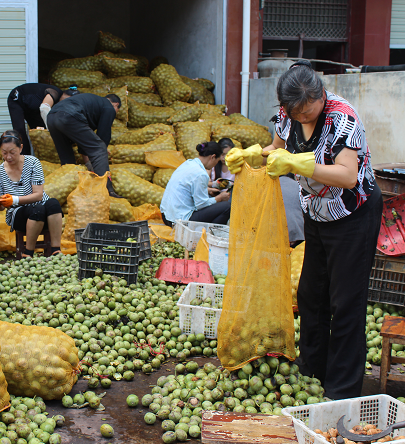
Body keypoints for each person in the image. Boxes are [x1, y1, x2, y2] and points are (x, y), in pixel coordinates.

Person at [226, 60, 382, 399]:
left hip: (352, 216)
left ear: (320, 95)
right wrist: (254, 156)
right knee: (312, 295)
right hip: (317, 214)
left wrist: (300, 162)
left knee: (346, 303)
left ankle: (342, 389)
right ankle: (313, 369)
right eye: (296, 114)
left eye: (308, 112)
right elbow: (277, 150)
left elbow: (347, 175)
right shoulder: (288, 114)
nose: (303, 118)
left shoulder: (343, 117)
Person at [0, 130, 62, 258]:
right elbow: (1, 207)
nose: (8, 157)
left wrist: (14, 199)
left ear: (21, 148)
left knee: (53, 204)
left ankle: (56, 250)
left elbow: (38, 195)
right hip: (19, 214)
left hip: (42, 211)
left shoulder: (33, 163)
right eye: (4, 153)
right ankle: (28, 253)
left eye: (12, 152)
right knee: (37, 210)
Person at [47, 93, 121, 196]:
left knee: (67, 158)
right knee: (100, 148)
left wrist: (88, 163)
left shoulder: (92, 104)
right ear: (116, 105)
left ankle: (70, 191)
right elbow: (103, 135)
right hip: (68, 115)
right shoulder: (108, 107)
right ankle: (106, 190)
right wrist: (100, 158)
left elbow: (84, 140)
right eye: (117, 110)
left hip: (51, 116)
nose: (116, 113)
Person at [160, 142, 231, 226]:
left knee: (212, 201)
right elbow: (201, 205)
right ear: (213, 157)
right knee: (227, 206)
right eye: (217, 161)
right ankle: (210, 233)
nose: (215, 165)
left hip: (166, 216)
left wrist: (213, 185)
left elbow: (190, 185)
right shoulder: (201, 174)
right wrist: (219, 198)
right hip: (179, 221)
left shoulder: (188, 163)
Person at [7, 83, 63, 156]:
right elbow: (44, 108)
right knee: (20, 130)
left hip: (32, 107)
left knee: (39, 131)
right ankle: (25, 159)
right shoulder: (56, 92)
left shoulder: (60, 104)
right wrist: (51, 128)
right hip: (17, 99)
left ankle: (39, 158)